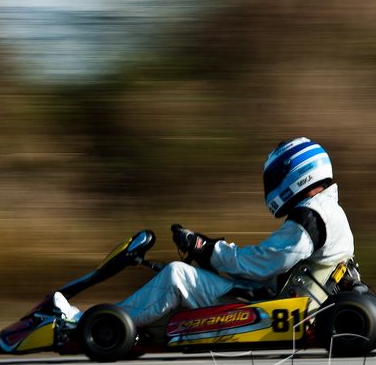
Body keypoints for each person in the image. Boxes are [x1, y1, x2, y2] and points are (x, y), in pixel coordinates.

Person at [55, 137, 355, 327]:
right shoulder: (327, 211)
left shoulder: (312, 214)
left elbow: (261, 264)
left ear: (299, 173)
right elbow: (274, 265)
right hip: (283, 297)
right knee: (185, 277)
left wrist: (207, 248)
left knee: (176, 275)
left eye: (278, 175)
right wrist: (207, 250)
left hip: (274, 307)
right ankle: (131, 325)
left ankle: (91, 324)